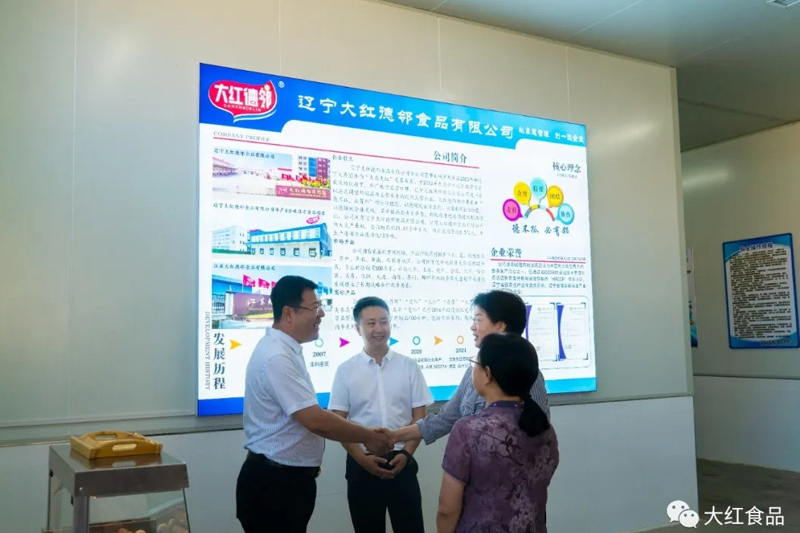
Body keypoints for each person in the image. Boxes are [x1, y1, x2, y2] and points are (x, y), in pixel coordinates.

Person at [235, 276, 393, 533]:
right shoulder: (277, 357)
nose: (321, 314)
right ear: (288, 313)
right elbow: (315, 420)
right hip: (274, 485)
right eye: (315, 307)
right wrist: (368, 436)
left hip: (286, 481)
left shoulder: (286, 349)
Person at [390, 290, 549, 446]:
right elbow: (445, 419)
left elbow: (538, 434)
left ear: (500, 326)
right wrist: (392, 436)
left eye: (478, 320)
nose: (473, 327)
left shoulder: (528, 375)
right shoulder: (474, 371)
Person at [329, 296, 432, 533]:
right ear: (358, 329)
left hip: (402, 460)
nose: (379, 329)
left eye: (384, 322)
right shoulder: (345, 371)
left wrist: (406, 453)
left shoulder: (409, 366)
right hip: (361, 465)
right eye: (371, 323)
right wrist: (361, 458)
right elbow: (338, 422)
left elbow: (420, 416)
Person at [436, 333, 559, 533]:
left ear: (487, 374)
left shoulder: (468, 430)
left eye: (475, 363)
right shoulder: (543, 428)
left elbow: (447, 509)